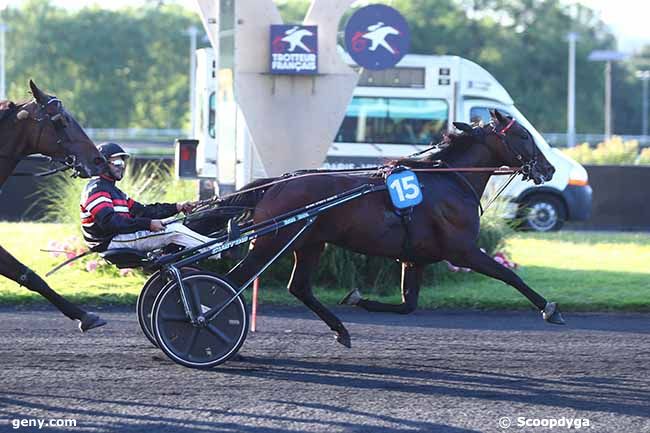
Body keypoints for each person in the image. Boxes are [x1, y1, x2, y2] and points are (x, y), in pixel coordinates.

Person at [80, 142, 215, 255]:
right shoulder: (97, 189)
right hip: (108, 241)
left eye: (122, 162)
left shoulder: (115, 191)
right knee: (174, 231)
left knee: (173, 224)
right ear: (102, 163)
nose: (122, 166)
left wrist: (177, 207)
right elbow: (111, 223)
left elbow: (143, 211)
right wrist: (148, 224)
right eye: (117, 162)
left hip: (118, 237)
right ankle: (218, 250)